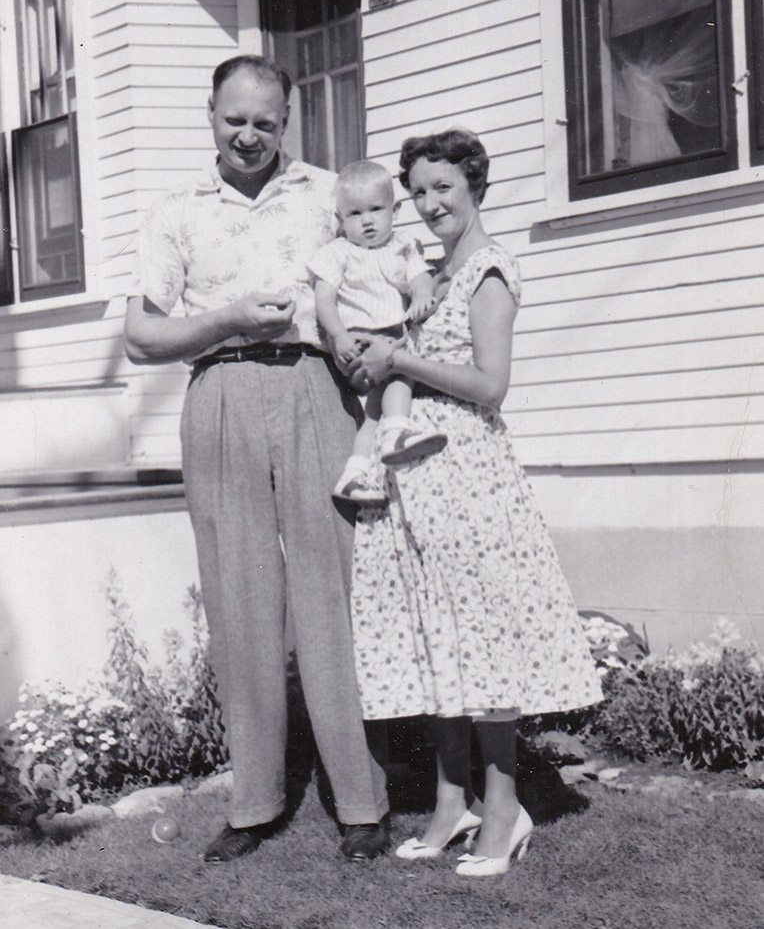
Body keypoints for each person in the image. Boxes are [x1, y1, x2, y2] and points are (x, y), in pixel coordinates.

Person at [124, 55, 389, 864]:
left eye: (265, 123)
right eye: (235, 119)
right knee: (240, 596)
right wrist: (230, 319)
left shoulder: (322, 193)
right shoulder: (175, 212)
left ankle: (362, 801)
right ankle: (255, 803)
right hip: (222, 394)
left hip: (316, 390)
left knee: (331, 589)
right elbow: (141, 336)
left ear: (287, 123)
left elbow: (379, 273)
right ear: (210, 115)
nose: (249, 136)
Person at [347, 129, 603, 878]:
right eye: (417, 193)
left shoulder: (489, 271)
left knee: (483, 642)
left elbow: (491, 384)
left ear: (475, 188)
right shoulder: (427, 273)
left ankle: (504, 806)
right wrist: (378, 360)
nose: (428, 206)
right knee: (436, 639)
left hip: (469, 475)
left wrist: (401, 358)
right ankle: (449, 800)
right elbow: (405, 368)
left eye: (442, 190)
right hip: (416, 478)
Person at [309, 159, 446, 504]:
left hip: (388, 332)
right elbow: (323, 301)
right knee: (400, 373)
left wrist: (423, 293)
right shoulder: (338, 253)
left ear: (395, 211)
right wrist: (338, 335)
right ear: (340, 220)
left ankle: (354, 474)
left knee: (374, 408)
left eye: (375, 210)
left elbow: (419, 275)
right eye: (354, 214)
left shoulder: (402, 245)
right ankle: (398, 433)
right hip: (357, 338)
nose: (367, 221)